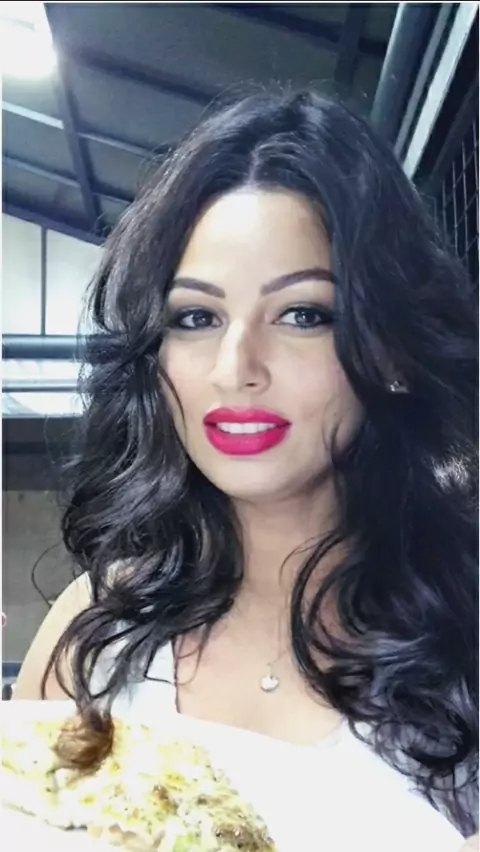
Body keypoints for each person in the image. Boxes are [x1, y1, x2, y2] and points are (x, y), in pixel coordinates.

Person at [14, 88, 478, 851]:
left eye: (303, 314)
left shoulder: (464, 632)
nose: (236, 368)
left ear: (393, 350)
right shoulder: (94, 636)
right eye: (196, 318)